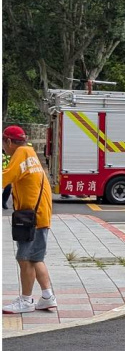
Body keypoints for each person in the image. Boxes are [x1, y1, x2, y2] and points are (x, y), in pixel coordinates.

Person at [1, 126, 57, 314]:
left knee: (24, 258)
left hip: (30, 218)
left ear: (8, 141)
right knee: (35, 257)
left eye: (3, 143)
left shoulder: (21, 153)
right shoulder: (30, 151)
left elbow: (5, 177)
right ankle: (48, 296)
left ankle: (26, 300)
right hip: (41, 215)